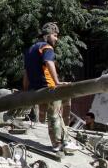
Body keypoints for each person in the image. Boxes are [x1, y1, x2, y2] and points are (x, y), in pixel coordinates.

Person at [23, 22, 75, 152]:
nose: (56, 39)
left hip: (36, 89)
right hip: (49, 87)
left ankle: (59, 142)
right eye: (55, 35)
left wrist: (26, 90)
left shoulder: (30, 50)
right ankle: (61, 143)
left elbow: (26, 72)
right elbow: (49, 62)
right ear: (47, 35)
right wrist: (57, 82)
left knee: (53, 115)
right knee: (55, 115)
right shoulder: (47, 48)